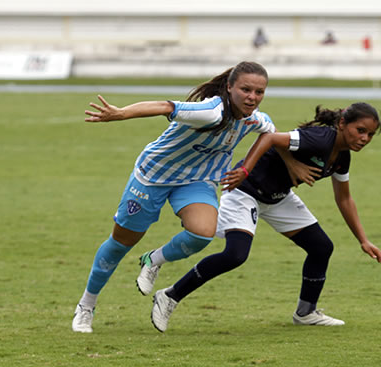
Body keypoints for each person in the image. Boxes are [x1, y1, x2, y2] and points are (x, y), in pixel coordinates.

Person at [141, 102, 381, 332]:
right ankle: (170, 295)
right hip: (245, 191)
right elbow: (269, 137)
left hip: (278, 197)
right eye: (360, 130)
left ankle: (306, 312)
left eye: (369, 134)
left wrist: (363, 240)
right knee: (235, 255)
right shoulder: (319, 139)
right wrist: (245, 170)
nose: (364, 138)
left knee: (321, 247)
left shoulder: (342, 157)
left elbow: (344, 199)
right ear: (343, 123)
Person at [72, 61, 277, 333]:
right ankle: (87, 304)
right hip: (153, 176)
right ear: (229, 88)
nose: (252, 97)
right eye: (246, 89)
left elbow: (270, 135)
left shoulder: (255, 118)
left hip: (196, 181)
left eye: (259, 92)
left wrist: (244, 168)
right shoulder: (212, 111)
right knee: (121, 243)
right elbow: (166, 106)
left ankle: (153, 260)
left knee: (204, 232)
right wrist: (121, 113)